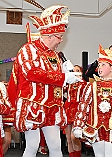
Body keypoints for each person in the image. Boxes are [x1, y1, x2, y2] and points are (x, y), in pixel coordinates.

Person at [7, 5, 82, 157]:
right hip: (33, 105)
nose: (61, 40)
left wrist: (69, 75)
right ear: (50, 36)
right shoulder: (28, 49)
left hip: (52, 106)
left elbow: (58, 77)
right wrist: (64, 78)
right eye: (59, 36)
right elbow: (32, 73)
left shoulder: (55, 54)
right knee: (32, 146)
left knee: (55, 146)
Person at [72, 44, 112, 157]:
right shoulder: (91, 86)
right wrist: (78, 125)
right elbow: (83, 107)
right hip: (95, 131)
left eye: (103, 65)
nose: (99, 68)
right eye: (99, 65)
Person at [64, 65, 86, 157]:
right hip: (68, 108)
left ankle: (77, 155)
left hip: (77, 109)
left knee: (74, 137)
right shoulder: (68, 84)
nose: (75, 72)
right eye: (73, 70)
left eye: (77, 70)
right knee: (68, 138)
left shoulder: (83, 84)